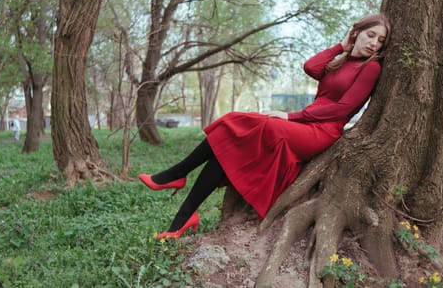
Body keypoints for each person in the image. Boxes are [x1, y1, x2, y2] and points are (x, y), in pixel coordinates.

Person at [139, 13, 392, 239]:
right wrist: (341, 46)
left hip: (322, 131)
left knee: (244, 123)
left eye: (380, 41)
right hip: (307, 123)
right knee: (225, 149)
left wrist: (291, 116)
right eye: (371, 35)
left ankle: (176, 175)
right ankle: (183, 218)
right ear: (356, 32)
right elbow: (310, 67)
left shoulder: (371, 68)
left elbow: (343, 109)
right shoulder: (341, 60)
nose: (374, 43)